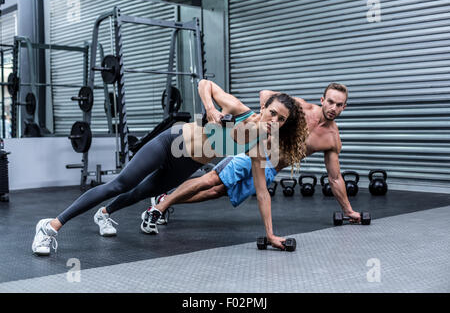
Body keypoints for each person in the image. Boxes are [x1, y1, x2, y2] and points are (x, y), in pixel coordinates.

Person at [31, 79, 308, 255]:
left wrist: (270, 234)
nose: (274, 121)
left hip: (187, 163)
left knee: (143, 193)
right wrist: (209, 108)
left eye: (282, 120)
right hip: (171, 142)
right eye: (273, 112)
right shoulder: (239, 109)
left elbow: (262, 192)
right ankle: (50, 226)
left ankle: (105, 213)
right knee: (121, 184)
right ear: (265, 106)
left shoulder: (259, 146)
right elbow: (204, 84)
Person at [139, 82, 362, 237]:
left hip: (270, 169)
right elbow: (265, 94)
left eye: (339, 105)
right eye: (330, 102)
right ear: (323, 99)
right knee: (211, 180)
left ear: (344, 107)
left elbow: (335, 178)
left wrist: (349, 211)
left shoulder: (332, 139)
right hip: (254, 153)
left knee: (218, 192)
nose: (333, 108)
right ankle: (159, 208)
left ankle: (163, 200)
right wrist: (269, 127)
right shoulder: (301, 107)